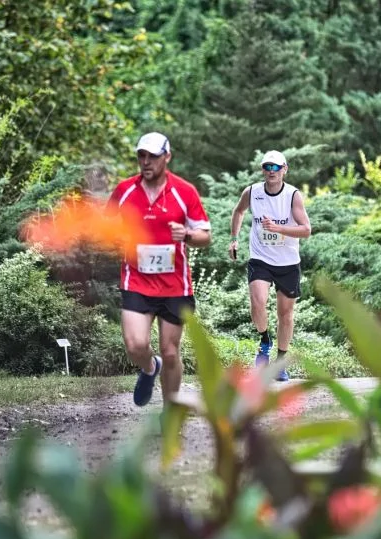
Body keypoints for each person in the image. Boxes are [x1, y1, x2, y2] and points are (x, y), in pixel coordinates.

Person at [105, 132, 212, 407]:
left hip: (174, 285)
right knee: (135, 345)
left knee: (171, 351)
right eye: (141, 156)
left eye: (152, 156)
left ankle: (170, 410)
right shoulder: (125, 190)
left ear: (167, 157)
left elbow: (205, 236)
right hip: (136, 280)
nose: (146, 161)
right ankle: (151, 367)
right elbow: (105, 227)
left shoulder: (184, 191)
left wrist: (186, 235)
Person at [228, 150, 312, 381]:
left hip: (288, 262)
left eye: (276, 167)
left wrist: (278, 228)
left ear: (285, 169)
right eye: (267, 167)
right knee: (258, 303)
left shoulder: (293, 195)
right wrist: (234, 239)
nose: (271, 171)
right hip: (260, 258)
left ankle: (280, 363)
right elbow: (239, 211)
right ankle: (265, 341)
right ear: (262, 170)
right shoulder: (252, 192)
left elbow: (306, 230)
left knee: (285, 314)